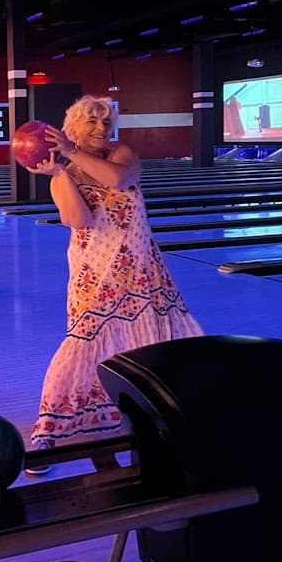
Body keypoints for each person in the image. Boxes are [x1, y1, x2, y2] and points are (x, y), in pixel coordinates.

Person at [24, 94, 203, 474]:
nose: (101, 128)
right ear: (72, 130)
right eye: (91, 121)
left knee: (152, 345)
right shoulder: (65, 176)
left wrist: (72, 152)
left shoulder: (123, 155)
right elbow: (79, 221)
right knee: (82, 344)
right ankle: (49, 431)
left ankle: (158, 412)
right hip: (95, 275)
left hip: (143, 272)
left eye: (106, 122)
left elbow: (120, 180)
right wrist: (61, 173)